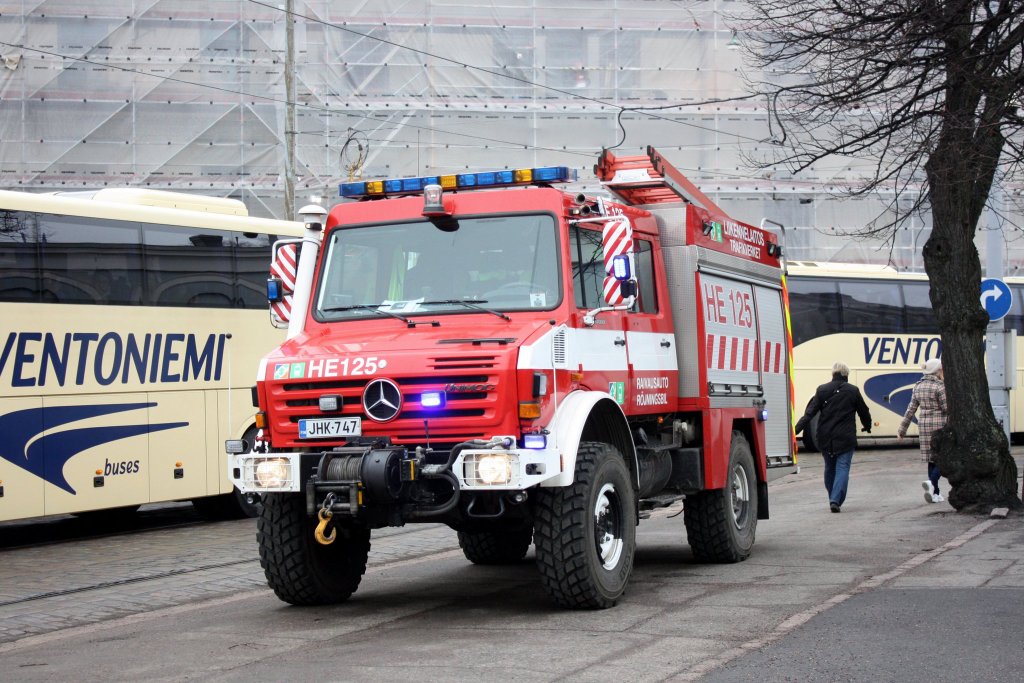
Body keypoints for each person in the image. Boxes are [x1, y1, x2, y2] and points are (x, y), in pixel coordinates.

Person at [795, 361, 873, 513]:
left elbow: (809, 414)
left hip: (825, 436)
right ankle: (835, 499)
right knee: (842, 467)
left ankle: (833, 497)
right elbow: (864, 411)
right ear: (846, 375)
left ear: (833, 374)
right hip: (845, 436)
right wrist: (867, 425)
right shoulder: (853, 391)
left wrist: (795, 430)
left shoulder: (822, 390)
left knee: (829, 468)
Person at [897, 358, 948, 504]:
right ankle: (932, 482)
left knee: (931, 459)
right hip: (939, 426)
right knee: (942, 458)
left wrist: (902, 429)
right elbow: (947, 408)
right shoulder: (940, 387)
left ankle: (935, 494)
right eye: (941, 369)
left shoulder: (918, 387)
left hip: (924, 426)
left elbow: (910, 410)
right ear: (937, 371)